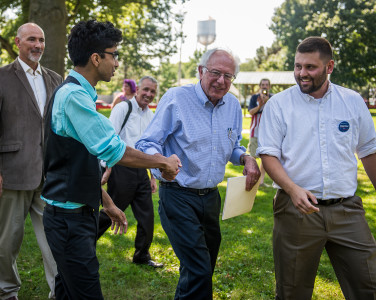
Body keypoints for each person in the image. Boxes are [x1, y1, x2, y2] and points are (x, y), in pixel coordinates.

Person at [41, 20, 181, 299]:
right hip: (69, 221)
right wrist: (162, 162)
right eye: (114, 54)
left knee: (67, 293)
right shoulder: (73, 97)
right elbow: (115, 150)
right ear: (96, 58)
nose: (117, 63)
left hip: (73, 213)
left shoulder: (75, 93)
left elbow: (77, 162)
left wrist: (107, 201)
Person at [136, 48, 261, 300]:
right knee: (199, 270)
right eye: (215, 73)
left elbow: (233, 145)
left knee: (202, 267)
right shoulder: (176, 98)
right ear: (201, 71)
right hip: (178, 196)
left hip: (211, 199)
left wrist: (246, 158)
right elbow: (147, 143)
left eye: (228, 76)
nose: (221, 81)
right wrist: (162, 161)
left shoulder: (233, 105)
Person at [257, 36, 376, 300]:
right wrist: (292, 189)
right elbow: (268, 154)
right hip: (295, 210)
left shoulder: (352, 101)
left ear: (329, 67)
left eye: (310, 67)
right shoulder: (279, 104)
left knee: (369, 285)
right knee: (292, 292)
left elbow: (368, 151)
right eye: (298, 66)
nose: (301, 74)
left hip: (348, 210)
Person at [0, 23, 62, 300]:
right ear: (17, 42)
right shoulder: (2, 77)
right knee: (6, 242)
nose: (38, 45)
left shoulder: (55, 79)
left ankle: (59, 290)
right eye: (31, 39)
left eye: (42, 39)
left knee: (55, 240)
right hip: (12, 172)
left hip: (50, 175)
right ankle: (6, 291)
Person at [98, 76, 163, 268]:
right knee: (112, 211)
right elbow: (110, 138)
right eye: (146, 90)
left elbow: (151, 147)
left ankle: (142, 255)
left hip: (141, 172)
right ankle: (83, 243)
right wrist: (107, 167)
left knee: (147, 217)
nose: (149, 94)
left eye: (152, 91)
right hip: (121, 169)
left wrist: (153, 177)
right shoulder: (123, 108)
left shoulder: (151, 116)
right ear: (138, 89)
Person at [247, 78, 272, 186]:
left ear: (269, 86)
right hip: (255, 131)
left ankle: (261, 181)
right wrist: (260, 105)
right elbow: (251, 112)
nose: (264, 86)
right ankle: (250, 178)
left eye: (266, 85)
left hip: (268, 133)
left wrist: (267, 102)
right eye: (262, 84)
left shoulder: (273, 98)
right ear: (259, 86)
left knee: (265, 158)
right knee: (252, 157)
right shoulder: (254, 98)